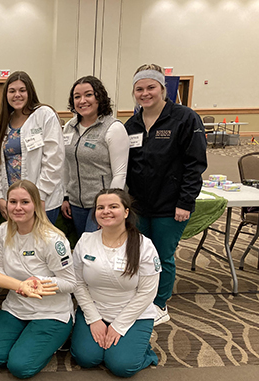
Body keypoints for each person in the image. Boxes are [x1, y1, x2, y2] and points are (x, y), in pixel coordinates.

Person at [125, 64, 207, 325]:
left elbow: (195, 165)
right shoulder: (132, 124)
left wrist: (185, 201)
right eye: (139, 89)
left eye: (151, 87)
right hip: (139, 204)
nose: (145, 93)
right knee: (139, 255)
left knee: (162, 256)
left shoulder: (184, 118)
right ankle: (141, 298)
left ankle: (159, 304)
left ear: (162, 89)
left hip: (171, 206)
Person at [0, 180, 75, 379]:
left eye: (24, 202)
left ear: (36, 205)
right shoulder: (2, 231)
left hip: (51, 311)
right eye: (12, 201)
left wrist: (38, 282)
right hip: (17, 307)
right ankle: (28, 333)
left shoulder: (53, 239)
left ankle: (60, 336)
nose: (17, 207)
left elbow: (70, 283)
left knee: (20, 367)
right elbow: (1, 269)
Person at [70, 189, 161, 377]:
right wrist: (94, 318)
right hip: (95, 309)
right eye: (100, 207)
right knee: (86, 358)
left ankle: (145, 352)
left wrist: (119, 325)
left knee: (122, 366)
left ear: (126, 212)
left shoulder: (144, 246)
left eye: (113, 206)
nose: (106, 211)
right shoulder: (85, 241)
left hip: (133, 313)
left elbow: (147, 293)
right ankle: (115, 346)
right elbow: (77, 283)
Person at [0, 71, 65, 224]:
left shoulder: (44, 115)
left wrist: (40, 196)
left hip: (42, 201)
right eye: (12, 91)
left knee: (40, 245)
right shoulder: (3, 122)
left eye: (22, 90)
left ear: (30, 92)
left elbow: (54, 160)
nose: (17, 95)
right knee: (18, 245)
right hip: (14, 203)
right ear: (6, 95)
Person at [61, 76, 129, 237]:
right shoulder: (69, 127)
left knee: (98, 249)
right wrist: (65, 196)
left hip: (101, 205)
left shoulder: (114, 128)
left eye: (88, 95)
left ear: (99, 96)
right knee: (83, 248)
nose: (82, 100)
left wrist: (109, 207)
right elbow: (65, 165)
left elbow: (120, 173)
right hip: (76, 203)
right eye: (77, 96)